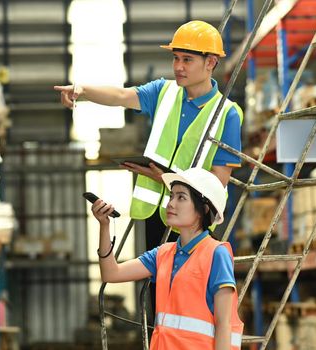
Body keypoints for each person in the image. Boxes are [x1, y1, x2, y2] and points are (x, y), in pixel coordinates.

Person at [54, 20, 243, 249]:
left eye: (187, 59)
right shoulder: (163, 92)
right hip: (154, 215)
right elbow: (121, 96)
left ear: (210, 62)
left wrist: (163, 178)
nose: (178, 67)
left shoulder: (227, 114)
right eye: (176, 58)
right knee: (156, 284)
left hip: (193, 222)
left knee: (187, 283)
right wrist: (82, 90)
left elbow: (217, 181)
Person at [91, 167, 243, 350]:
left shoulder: (217, 254)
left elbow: (224, 325)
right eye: (171, 196)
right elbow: (111, 273)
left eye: (181, 197)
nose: (170, 204)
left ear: (204, 208)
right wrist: (104, 226)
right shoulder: (163, 254)